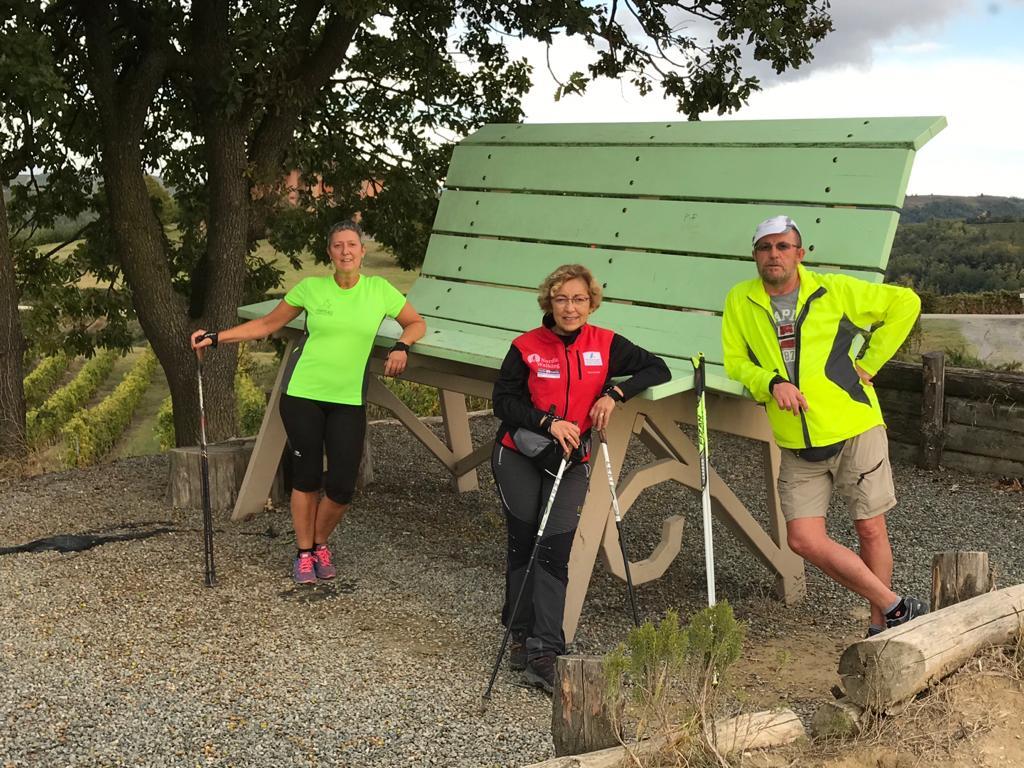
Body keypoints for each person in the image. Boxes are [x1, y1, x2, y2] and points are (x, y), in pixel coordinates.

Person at [721, 215, 926, 637]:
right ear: (755, 255)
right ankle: (896, 606)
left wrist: (869, 364)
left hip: (854, 426)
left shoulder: (834, 290)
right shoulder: (740, 299)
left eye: (783, 246)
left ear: (800, 253)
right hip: (796, 439)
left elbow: (906, 303)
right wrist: (771, 382)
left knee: (870, 527)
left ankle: (878, 627)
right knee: (802, 539)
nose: (774, 254)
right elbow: (735, 362)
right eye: (765, 247)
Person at [191, 220, 426, 585]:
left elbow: (415, 323)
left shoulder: (379, 290)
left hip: (347, 399)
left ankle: (318, 542)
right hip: (302, 395)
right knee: (307, 477)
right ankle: (305, 553)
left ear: (362, 251)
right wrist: (216, 337)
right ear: (329, 252)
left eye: (352, 245)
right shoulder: (311, 289)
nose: (345, 251)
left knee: (342, 486)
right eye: (338, 245)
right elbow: (266, 325)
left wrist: (402, 346)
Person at [491, 263, 670, 693]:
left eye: (578, 299)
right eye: (561, 299)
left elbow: (657, 368)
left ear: (591, 303)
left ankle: (544, 652)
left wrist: (614, 393)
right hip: (519, 454)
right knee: (523, 542)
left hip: (571, 460)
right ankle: (520, 633)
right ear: (549, 303)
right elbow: (502, 402)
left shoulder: (605, 343)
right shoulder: (525, 347)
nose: (570, 308)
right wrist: (547, 422)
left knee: (554, 548)